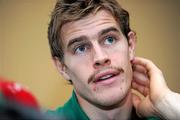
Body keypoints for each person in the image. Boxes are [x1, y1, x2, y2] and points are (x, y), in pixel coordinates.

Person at [47, 0, 180, 120]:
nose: (100, 58)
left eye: (109, 39)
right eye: (81, 48)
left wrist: (166, 103)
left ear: (130, 46)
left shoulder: (169, 115)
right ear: (62, 67)